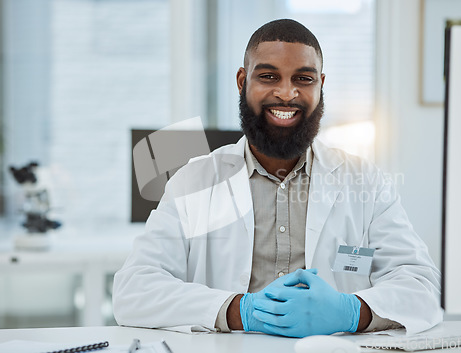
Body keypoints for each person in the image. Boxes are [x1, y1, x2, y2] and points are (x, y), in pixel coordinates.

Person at [113, 19, 442, 337]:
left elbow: (422, 286)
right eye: (269, 76)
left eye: (303, 78)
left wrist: (351, 311)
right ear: (242, 81)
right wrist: (239, 311)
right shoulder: (195, 181)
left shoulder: (366, 183)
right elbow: (134, 289)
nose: (287, 94)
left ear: (321, 85)